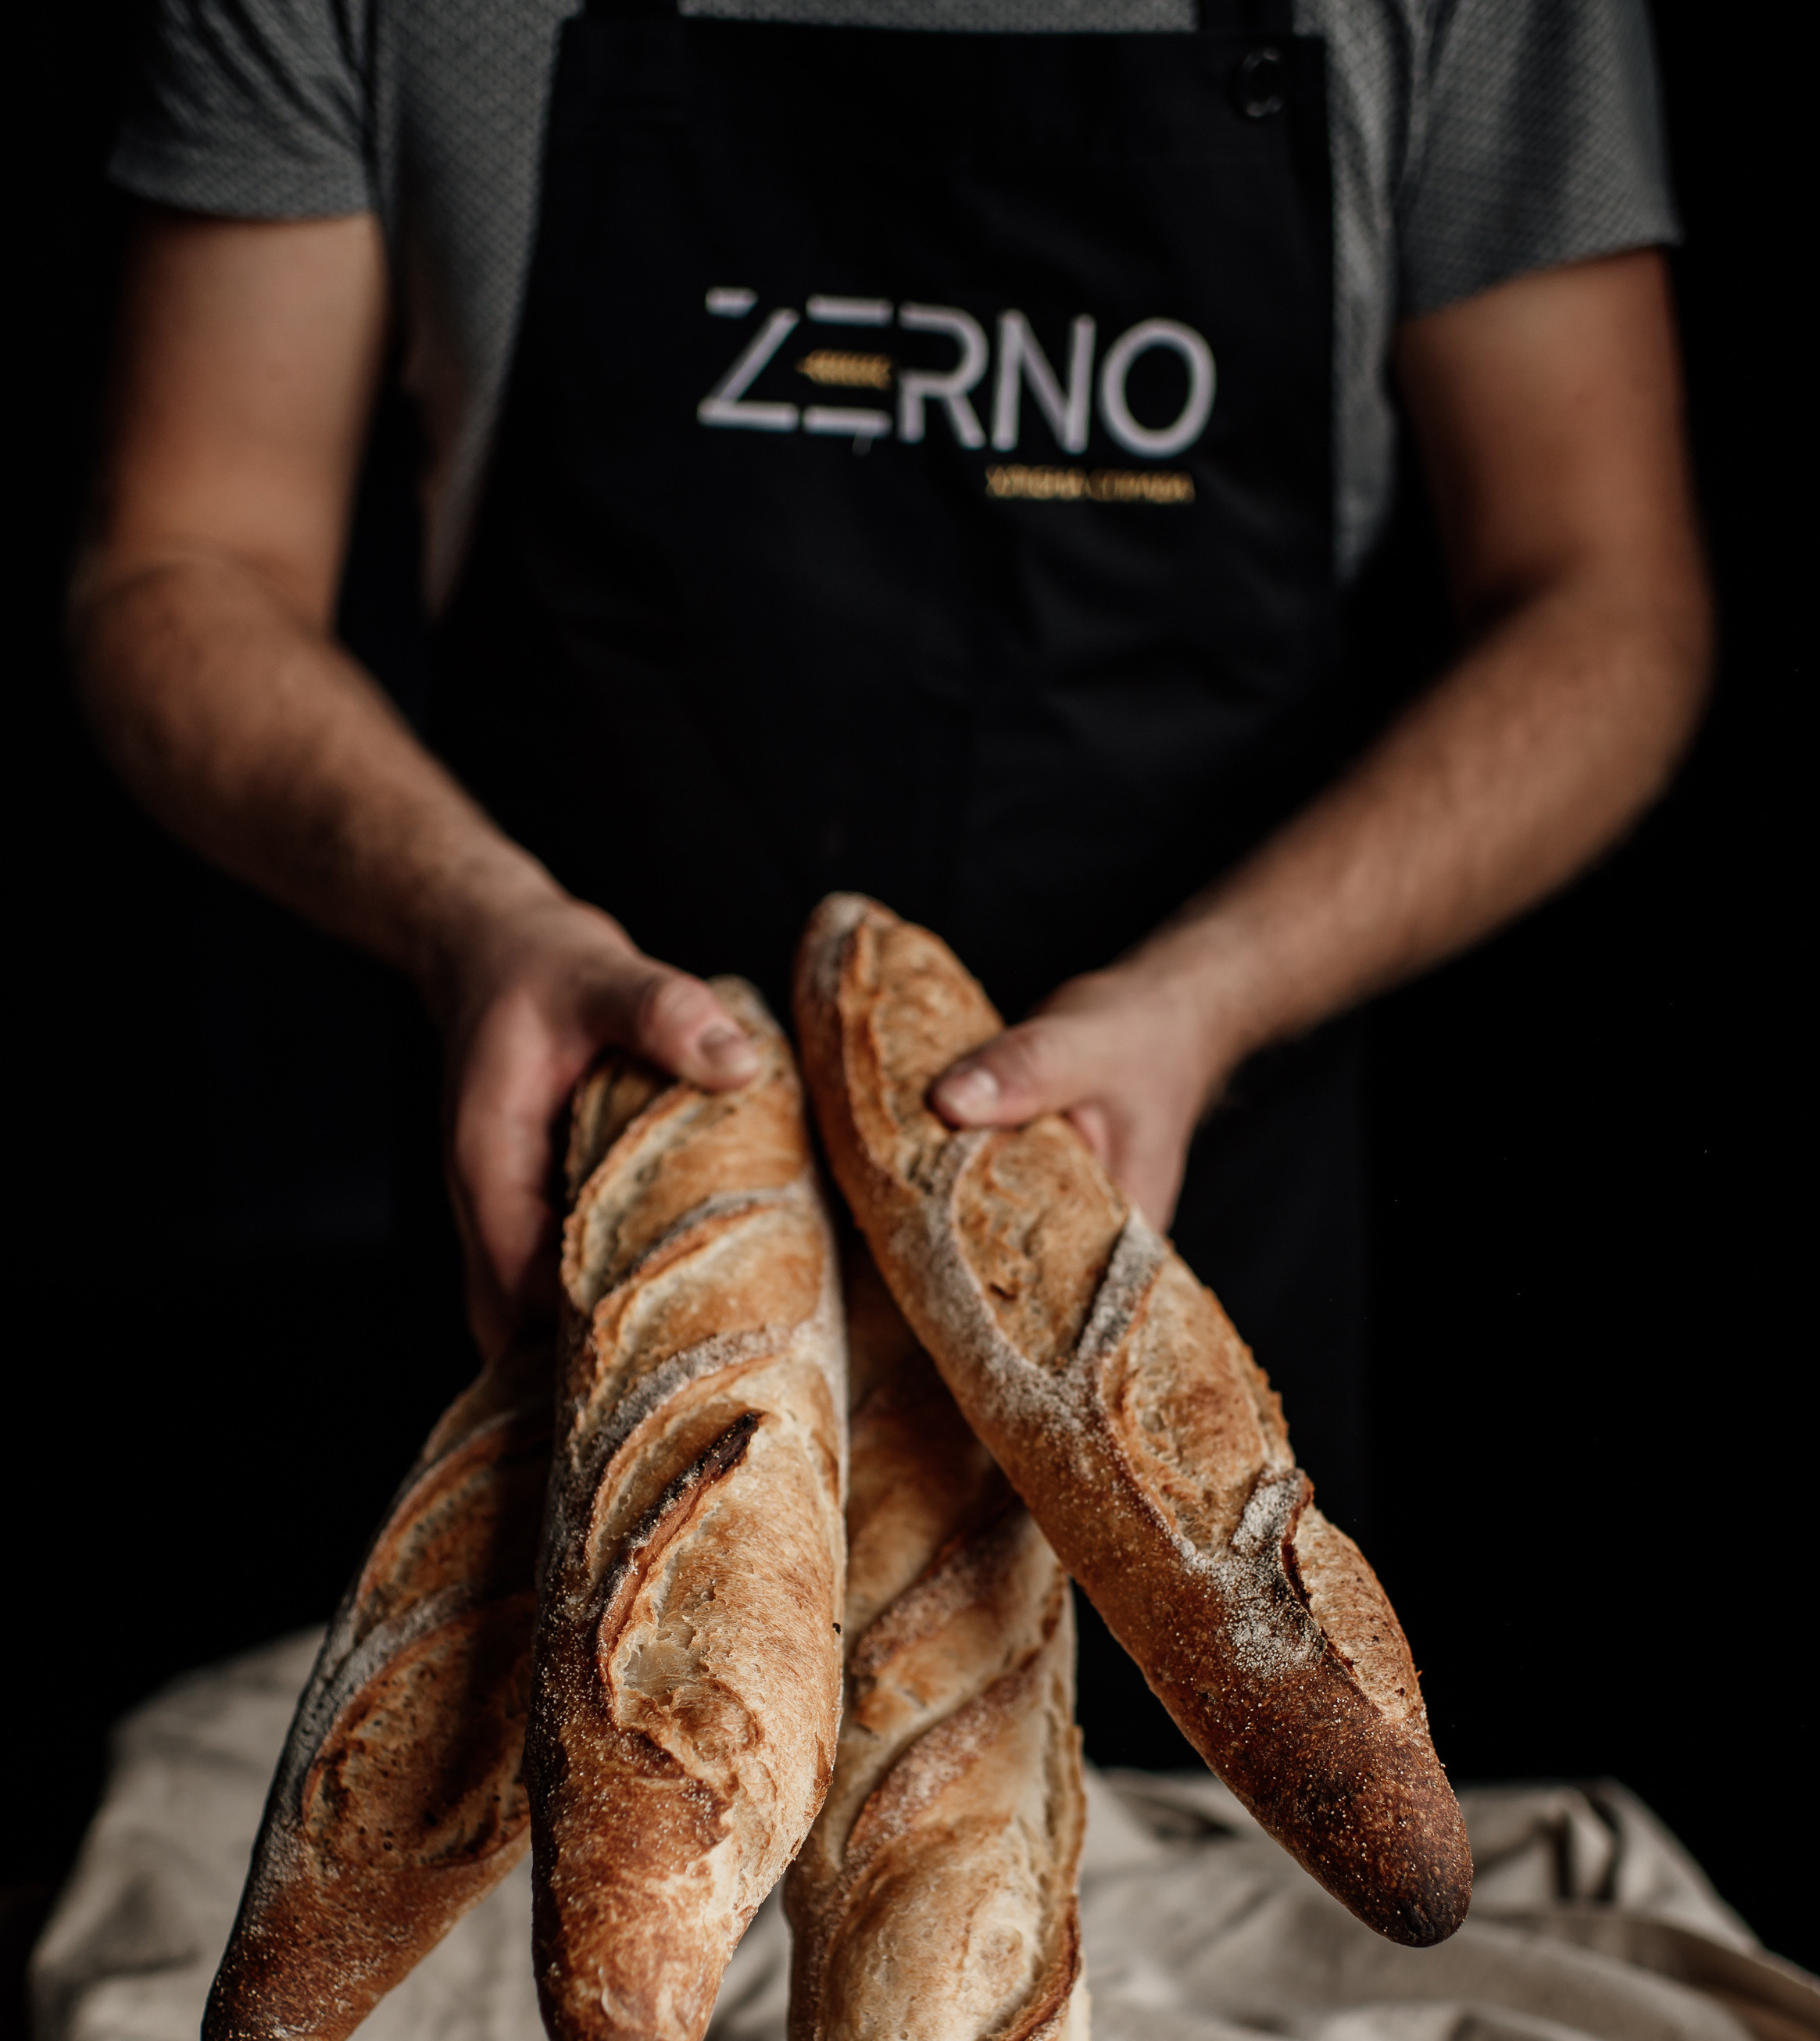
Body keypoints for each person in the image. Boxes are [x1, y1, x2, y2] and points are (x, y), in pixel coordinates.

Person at [72, 0, 1711, 1759]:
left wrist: (1215, 994)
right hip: (583, 1259)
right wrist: (474, 918)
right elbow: (183, 562)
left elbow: (1606, 599)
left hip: (1156, 1290)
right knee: (565, 1886)